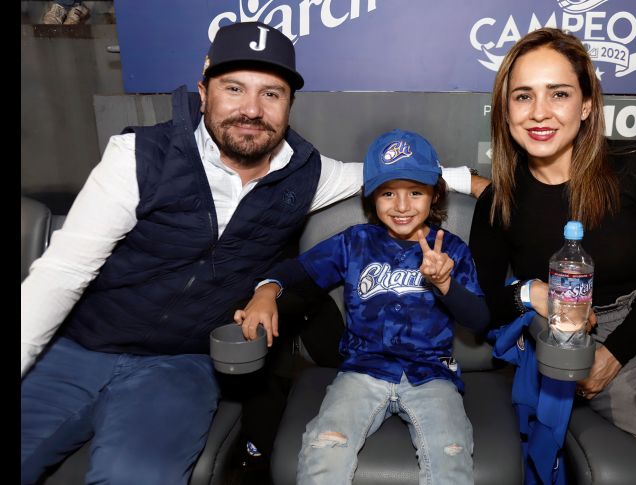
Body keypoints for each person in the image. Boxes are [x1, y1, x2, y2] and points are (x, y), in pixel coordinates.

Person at [20, 22, 485, 485]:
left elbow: (395, 174)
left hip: (180, 363)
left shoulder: (305, 172)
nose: (251, 109)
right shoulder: (138, 156)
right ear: (203, 92)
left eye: (271, 93)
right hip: (80, 346)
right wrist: (268, 287)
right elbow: (61, 273)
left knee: (132, 476)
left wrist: (481, 186)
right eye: (234, 88)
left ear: (289, 105)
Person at [469, 27, 636, 485]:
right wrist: (529, 293)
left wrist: (614, 353)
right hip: (585, 345)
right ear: (505, 110)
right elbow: (481, 309)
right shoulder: (498, 203)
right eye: (523, 96)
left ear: (586, 105)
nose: (539, 112)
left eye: (559, 93)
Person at [235, 129, 490, 484]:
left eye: (415, 192)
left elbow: (479, 321)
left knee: (450, 457)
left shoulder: (452, 249)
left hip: (431, 374)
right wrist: (267, 290)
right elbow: (299, 269)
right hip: (362, 371)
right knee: (324, 451)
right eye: (388, 193)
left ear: (435, 195)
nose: (402, 206)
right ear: (372, 197)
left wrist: (445, 284)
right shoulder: (355, 242)